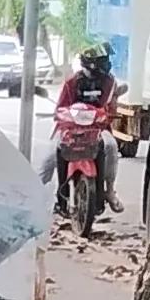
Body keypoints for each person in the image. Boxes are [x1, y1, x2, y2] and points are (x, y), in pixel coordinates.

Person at [46, 40, 121, 221]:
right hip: (70, 128)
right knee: (49, 156)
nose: (106, 62)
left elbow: (111, 107)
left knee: (110, 146)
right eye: (102, 59)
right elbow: (60, 107)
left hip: (97, 128)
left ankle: (109, 190)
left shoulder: (109, 82)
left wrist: (108, 114)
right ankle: (37, 195)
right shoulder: (72, 82)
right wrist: (64, 116)